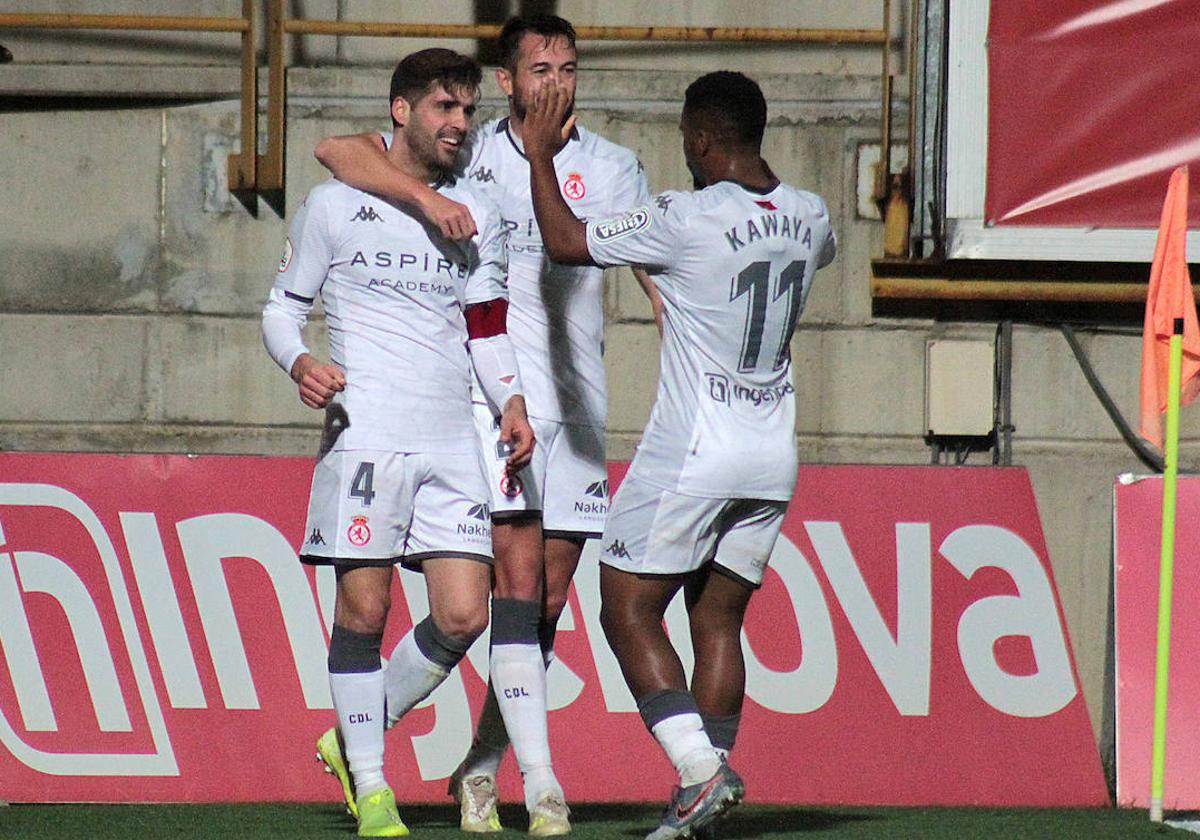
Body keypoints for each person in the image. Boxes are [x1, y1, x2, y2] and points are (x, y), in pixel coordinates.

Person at [313, 14, 656, 836]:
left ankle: (471, 762)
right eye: (539, 68)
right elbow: (340, 152)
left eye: (568, 67)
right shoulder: (472, 155)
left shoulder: (614, 167)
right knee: (509, 585)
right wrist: (424, 194)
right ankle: (537, 784)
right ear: (507, 80)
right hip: (486, 404)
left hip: (574, 409)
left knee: (542, 606)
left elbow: (655, 270)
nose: (555, 83)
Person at [522, 71, 837, 840]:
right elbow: (808, 256)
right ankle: (705, 804)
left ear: (700, 139)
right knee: (718, 618)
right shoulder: (811, 214)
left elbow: (567, 242)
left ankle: (700, 773)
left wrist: (538, 156)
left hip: (696, 447)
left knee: (625, 605)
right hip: (772, 449)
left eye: (685, 140)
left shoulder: (685, 215)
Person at [261, 48, 534, 838]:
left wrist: (510, 399)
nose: (460, 123)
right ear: (401, 110)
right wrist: (301, 361)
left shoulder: (477, 211)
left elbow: (487, 329)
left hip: (453, 439)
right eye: (445, 107)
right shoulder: (336, 205)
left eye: (468, 109)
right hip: (368, 440)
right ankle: (374, 787)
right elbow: (282, 309)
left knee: (462, 617)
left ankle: (350, 736)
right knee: (366, 606)